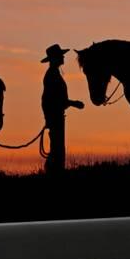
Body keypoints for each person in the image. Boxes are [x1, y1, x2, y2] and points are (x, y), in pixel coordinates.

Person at [41, 44, 84, 175]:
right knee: (57, 148)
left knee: (57, 147)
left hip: (55, 116)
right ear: (55, 58)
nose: (63, 57)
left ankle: (54, 172)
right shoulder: (52, 75)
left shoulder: (52, 74)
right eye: (60, 55)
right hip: (55, 116)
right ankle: (55, 173)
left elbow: (48, 100)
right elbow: (53, 100)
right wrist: (74, 103)